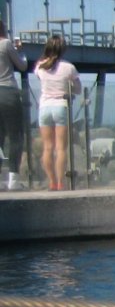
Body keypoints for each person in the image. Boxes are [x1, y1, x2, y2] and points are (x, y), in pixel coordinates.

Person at [34, 35, 82, 191]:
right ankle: (61, 182)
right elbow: (78, 89)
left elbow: (40, 76)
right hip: (61, 105)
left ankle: (52, 182)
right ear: (63, 49)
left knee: (47, 148)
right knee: (61, 148)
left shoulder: (40, 66)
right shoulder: (69, 67)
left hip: (44, 107)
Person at [0, 20, 26, 189]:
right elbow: (22, 66)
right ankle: (14, 180)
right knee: (15, 137)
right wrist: (20, 52)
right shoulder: (6, 43)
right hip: (8, 92)